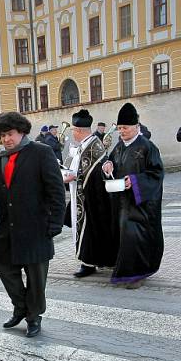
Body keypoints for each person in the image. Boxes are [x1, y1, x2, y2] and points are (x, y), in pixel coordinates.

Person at [0, 112, 65, 337]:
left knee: (36, 277)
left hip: (36, 226)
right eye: (2, 136)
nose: (6, 139)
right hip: (7, 228)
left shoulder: (41, 152)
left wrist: (56, 221)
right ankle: (21, 307)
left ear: (21, 132)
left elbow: (56, 190)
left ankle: (33, 316)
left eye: (10, 134)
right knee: (4, 268)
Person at [101, 103, 164, 288]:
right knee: (124, 238)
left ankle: (138, 274)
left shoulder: (147, 147)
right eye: (119, 128)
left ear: (136, 126)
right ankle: (127, 272)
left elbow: (156, 174)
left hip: (142, 204)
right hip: (122, 202)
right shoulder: (119, 147)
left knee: (136, 237)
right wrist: (107, 166)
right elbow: (110, 163)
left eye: (125, 128)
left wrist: (134, 181)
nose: (121, 131)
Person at [62, 110, 117, 278]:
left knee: (89, 230)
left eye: (73, 130)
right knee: (90, 231)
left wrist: (73, 176)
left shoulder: (93, 146)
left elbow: (92, 175)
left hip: (90, 199)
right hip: (82, 195)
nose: (72, 133)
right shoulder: (85, 144)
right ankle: (93, 260)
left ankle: (88, 263)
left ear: (78, 130)